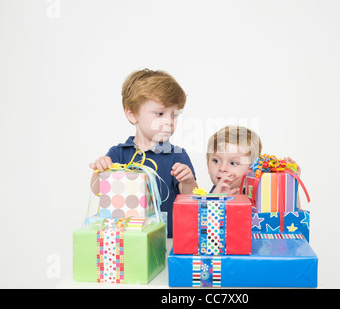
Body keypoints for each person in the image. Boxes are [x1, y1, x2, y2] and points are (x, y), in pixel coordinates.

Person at [89, 68, 197, 237]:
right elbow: (97, 190)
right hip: (126, 239)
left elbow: (191, 201)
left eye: (174, 115)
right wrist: (100, 171)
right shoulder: (118, 154)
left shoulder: (177, 155)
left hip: (165, 242)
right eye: (160, 113)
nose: (169, 121)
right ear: (132, 114)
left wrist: (188, 181)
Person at [206, 126, 262, 194]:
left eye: (233, 163)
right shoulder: (202, 202)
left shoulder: (256, 200)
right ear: (208, 165)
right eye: (216, 161)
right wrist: (214, 200)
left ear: (251, 171)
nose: (222, 168)